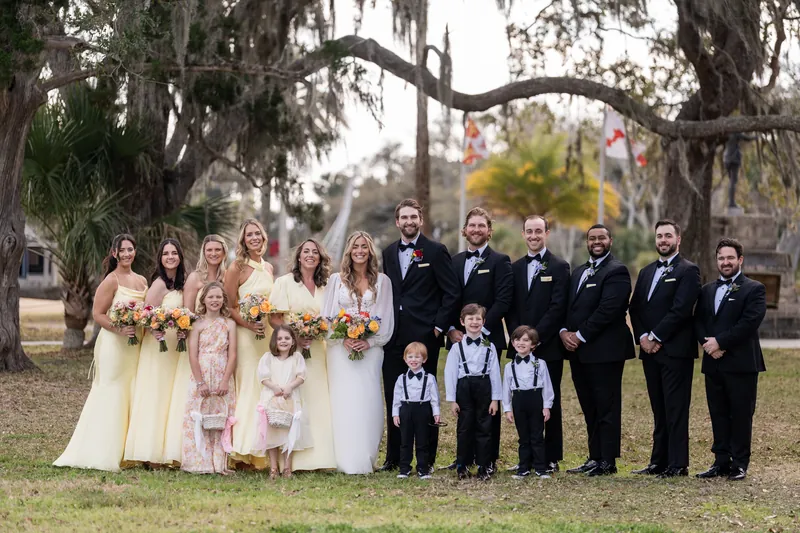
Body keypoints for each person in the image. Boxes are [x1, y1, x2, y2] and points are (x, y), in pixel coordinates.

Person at [54, 234, 148, 471]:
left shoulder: (142, 281)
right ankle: (103, 450)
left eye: (131, 249)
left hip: (134, 345)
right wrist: (119, 328)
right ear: (114, 253)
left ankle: (128, 450)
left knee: (130, 391)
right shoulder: (111, 281)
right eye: (122, 250)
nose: (127, 254)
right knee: (112, 391)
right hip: (114, 345)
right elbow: (98, 314)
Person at [381, 198, 460, 472]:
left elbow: (451, 292)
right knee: (394, 395)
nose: (409, 221)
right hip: (393, 336)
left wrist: (438, 327)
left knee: (425, 397)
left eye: (413, 217)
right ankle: (393, 458)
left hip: (424, 336)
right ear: (397, 222)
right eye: (404, 217)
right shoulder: (388, 252)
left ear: (421, 220)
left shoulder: (436, 251)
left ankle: (427, 458)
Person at [560, 224, 634, 477]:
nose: (596, 241)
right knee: (589, 405)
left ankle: (608, 460)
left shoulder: (617, 271)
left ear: (610, 240)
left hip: (606, 351)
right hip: (579, 352)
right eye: (592, 238)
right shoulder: (579, 271)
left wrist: (579, 335)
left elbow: (608, 310)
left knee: (607, 405)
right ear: (587, 242)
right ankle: (594, 456)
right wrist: (564, 332)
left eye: (601, 237)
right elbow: (568, 308)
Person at [629, 220, 700, 478]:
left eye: (668, 236)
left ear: (678, 239)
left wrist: (657, 335)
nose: (663, 240)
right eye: (659, 236)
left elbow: (681, 309)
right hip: (650, 351)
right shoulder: (647, 271)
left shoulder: (689, 271)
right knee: (658, 408)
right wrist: (643, 338)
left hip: (675, 350)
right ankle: (658, 461)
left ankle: (678, 464)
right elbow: (635, 307)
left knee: (676, 408)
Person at [444, 207, 512, 473]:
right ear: (464, 230)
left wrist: (480, 330)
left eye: (481, 226)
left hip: (487, 336)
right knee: (465, 406)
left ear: (489, 230)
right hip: (458, 336)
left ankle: (488, 459)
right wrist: (452, 329)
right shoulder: (454, 260)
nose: (476, 230)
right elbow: (448, 298)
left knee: (487, 408)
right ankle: (464, 457)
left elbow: (503, 300)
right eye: (471, 225)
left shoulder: (500, 261)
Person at [322, 231, 395, 474]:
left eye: (364, 246)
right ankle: (342, 457)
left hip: (370, 349)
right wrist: (342, 337)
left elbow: (385, 316)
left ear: (370, 251)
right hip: (340, 350)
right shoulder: (335, 280)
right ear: (349, 251)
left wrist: (370, 342)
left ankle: (365, 456)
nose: (360, 251)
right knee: (343, 400)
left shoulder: (383, 281)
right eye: (355, 246)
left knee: (368, 399)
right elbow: (328, 315)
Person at [694, 238, 766, 481]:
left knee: (741, 414)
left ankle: (740, 463)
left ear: (740, 260)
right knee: (718, 412)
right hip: (713, 363)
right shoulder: (706, 291)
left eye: (730, 258)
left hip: (742, 364)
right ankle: (720, 461)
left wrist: (721, 342)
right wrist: (708, 344)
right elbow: (698, 320)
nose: (725, 262)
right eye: (721, 258)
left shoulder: (754, 289)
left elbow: (749, 323)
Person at [506, 215, 570, 473]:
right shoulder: (515, 267)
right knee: (522, 403)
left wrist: (534, 338)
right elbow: (509, 306)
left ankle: (551, 457)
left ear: (547, 233)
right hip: (519, 346)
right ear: (523, 234)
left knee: (548, 402)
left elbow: (558, 306)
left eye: (538, 231)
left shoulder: (559, 266)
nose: (533, 236)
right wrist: (518, 337)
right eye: (529, 231)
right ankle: (526, 458)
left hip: (548, 346)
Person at [269, 239, 336, 471]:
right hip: (292, 352)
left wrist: (317, 332)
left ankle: (321, 457)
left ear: (320, 258)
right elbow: (275, 318)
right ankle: (294, 459)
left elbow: (332, 317)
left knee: (319, 398)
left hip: (318, 350)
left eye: (314, 252)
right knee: (298, 399)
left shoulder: (327, 286)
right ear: (298, 257)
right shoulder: (284, 283)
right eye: (305, 251)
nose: (310, 255)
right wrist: (295, 338)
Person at [165, 234, 229, 466]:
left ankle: (220, 453)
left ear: (224, 252)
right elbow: (188, 311)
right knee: (194, 399)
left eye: (218, 250)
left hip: (222, 340)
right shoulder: (195, 277)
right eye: (209, 249)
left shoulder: (227, 275)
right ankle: (193, 452)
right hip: (199, 344)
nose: (213, 254)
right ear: (204, 251)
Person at [124, 238, 187, 465]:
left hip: (175, 349)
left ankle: (169, 449)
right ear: (160, 258)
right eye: (166, 253)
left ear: (180, 256)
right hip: (158, 347)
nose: (170, 257)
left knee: (170, 398)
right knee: (156, 395)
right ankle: (150, 453)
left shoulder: (181, 283)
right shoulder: (159, 283)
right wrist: (155, 332)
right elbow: (147, 316)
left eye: (174, 253)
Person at [224, 219, 274, 468]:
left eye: (258, 233)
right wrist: (247, 324)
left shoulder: (269, 268)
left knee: (264, 387)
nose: (254, 238)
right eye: (249, 235)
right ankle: (242, 449)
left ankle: (262, 449)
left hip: (265, 334)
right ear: (243, 240)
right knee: (248, 388)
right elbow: (229, 305)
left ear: (264, 237)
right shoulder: (237, 267)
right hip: (246, 335)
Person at [181, 282, 237, 475]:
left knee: (220, 417)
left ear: (223, 300)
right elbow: (193, 355)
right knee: (200, 414)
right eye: (211, 297)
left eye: (218, 297)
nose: (215, 300)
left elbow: (233, 355)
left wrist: (225, 380)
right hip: (202, 371)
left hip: (222, 370)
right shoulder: (197, 324)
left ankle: (220, 463)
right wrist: (200, 381)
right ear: (203, 299)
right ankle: (199, 462)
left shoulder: (229, 324)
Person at [444, 304, 501, 481]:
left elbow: (495, 372)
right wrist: (452, 400)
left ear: (484, 322)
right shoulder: (456, 347)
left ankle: (484, 466)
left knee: (484, 427)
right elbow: (450, 373)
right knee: (464, 427)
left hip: (484, 386)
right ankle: (462, 465)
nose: (474, 322)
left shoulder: (490, 346)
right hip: (464, 387)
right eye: (470, 319)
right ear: (462, 322)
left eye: (478, 319)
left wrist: (495, 399)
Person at [254, 325, 310, 479]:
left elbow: (301, 376)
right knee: (272, 432)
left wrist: (289, 387)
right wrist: (275, 388)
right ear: (274, 341)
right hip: (271, 397)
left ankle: (287, 467)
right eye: (279, 338)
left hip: (290, 398)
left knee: (289, 433)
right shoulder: (268, 358)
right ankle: (273, 467)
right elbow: (263, 377)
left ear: (293, 342)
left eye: (287, 338)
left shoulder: (297, 357)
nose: (283, 341)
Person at [502, 326, 554, 479]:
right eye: (517, 339)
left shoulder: (541, 363)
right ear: (512, 343)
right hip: (519, 401)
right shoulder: (509, 367)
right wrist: (507, 408)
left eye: (525, 340)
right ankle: (523, 468)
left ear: (533, 344)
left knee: (537, 435)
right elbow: (506, 389)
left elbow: (547, 386)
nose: (521, 343)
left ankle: (540, 468)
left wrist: (546, 406)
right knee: (523, 436)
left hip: (535, 399)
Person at [391, 342, 441, 480]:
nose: (413, 360)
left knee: (422, 440)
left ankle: (423, 469)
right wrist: (395, 413)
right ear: (405, 359)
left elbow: (434, 398)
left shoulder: (429, 378)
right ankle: (404, 468)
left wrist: (436, 413)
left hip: (422, 409)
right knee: (405, 441)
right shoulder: (401, 379)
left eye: (417, 357)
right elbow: (396, 398)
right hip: (406, 409)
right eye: (410, 356)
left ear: (424, 359)